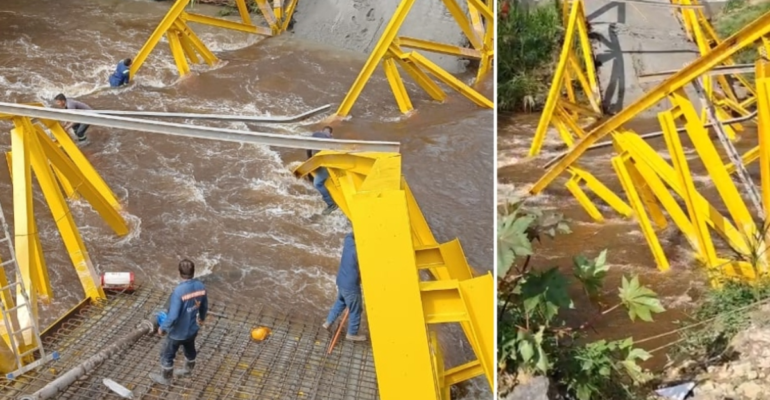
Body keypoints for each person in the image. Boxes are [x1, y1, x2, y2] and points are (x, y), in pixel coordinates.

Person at [150, 259, 208, 385]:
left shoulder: (178, 291)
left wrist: (163, 327)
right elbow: (204, 306)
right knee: (190, 349)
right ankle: (187, 371)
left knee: (167, 355)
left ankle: (166, 378)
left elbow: (173, 316)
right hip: (192, 330)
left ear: (179, 272)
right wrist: (202, 318)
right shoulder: (201, 286)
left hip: (177, 333)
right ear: (193, 272)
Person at [322, 232, 366, 342]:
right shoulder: (360, 253)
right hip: (351, 286)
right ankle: (351, 334)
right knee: (356, 310)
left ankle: (328, 322)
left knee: (341, 302)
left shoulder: (349, 243)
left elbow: (349, 235)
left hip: (341, 281)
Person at [306, 126, 338, 215]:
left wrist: (309, 159)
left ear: (322, 130)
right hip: (332, 161)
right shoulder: (333, 140)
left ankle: (331, 204)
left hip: (324, 162)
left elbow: (308, 148)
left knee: (317, 183)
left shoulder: (316, 134)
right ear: (331, 133)